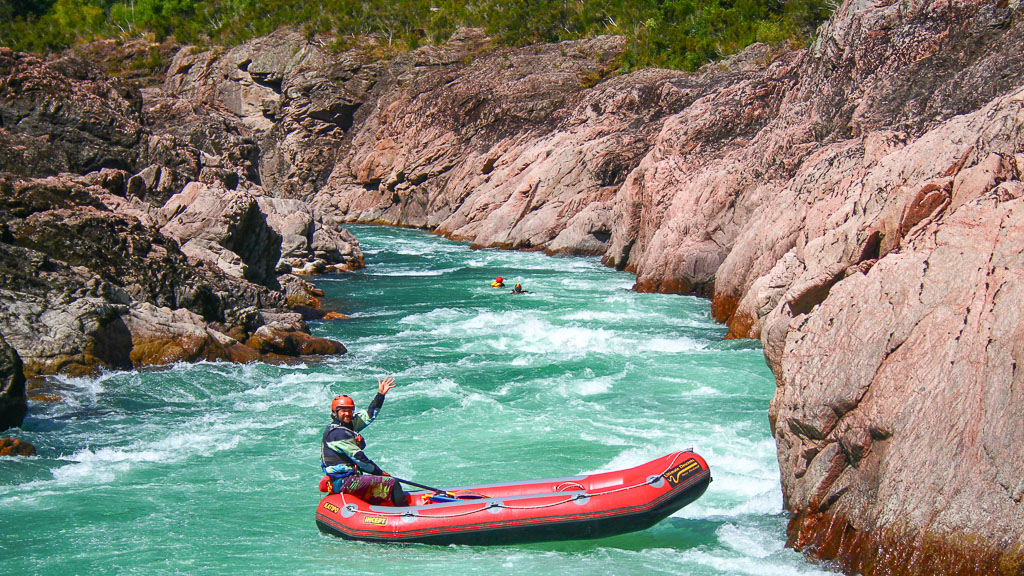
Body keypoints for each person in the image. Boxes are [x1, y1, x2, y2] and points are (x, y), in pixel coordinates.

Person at [320, 376, 408, 506]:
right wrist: (380, 473)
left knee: (378, 487)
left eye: (350, 411)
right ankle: (406, 515)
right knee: (393, 483)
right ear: (335, 413)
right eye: (343, 411)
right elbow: (360, 458)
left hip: (346, 478)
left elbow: (369, 415)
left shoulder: (347, 425)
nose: (348, 414)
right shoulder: (338, 434)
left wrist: (381, 395)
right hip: (344, 482)